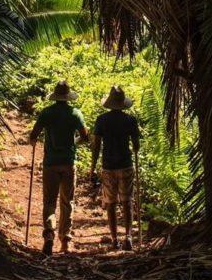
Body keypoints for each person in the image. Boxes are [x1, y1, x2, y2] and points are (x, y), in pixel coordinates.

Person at [29, 80, 88, 256]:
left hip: (50, 163)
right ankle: (66, 241)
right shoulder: (75, 114)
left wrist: (35, 143)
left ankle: (49, 234)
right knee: (67, 201)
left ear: (55, 96)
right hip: (68, 162)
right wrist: (73, 143)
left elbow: (33, 136)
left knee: (49, 201)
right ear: (68, 96)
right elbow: (85, 137)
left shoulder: (46, 113)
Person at [90, 85, 140, 251]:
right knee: (127, 201)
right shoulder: (130, 120)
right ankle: (128, 236)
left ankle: (114, 239)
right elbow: (136, 144)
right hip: (126, 165)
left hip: (108, 166)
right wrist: (134, 147)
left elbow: (96, 145)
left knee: (110, 203)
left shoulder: (102, 120)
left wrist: (92, 167)